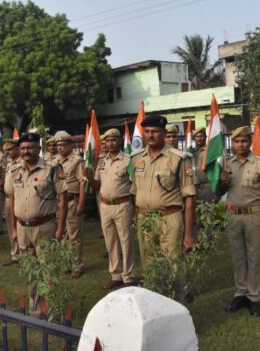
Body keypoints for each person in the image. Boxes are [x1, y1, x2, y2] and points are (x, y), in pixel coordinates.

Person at [4, 133, 68, 315]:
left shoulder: (52, 168)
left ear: (38, 149)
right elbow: (11, 201)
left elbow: (62, 199)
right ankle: (36, 308)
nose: (26, 151)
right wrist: (14, 230)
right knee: (31, 271)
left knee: (48, 269)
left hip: (45, 227)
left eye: (30, 147)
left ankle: (53, 308)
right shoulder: (14, 170)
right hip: (22, 227)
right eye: (23, 148)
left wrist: (60, 229)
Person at [220, 126, 260, 317]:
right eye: (236, 141)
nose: (240, 145)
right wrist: (223, 181)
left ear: (250, 142)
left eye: (243, 141)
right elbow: (223, 190)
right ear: (232, 143)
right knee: (238, 257)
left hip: (253, 215)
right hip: (234, 216)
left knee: (254, 257)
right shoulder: (228, 164)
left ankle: (254, 297)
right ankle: (241, 293)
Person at [130, 114, 196, 267]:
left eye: (155, 131)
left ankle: (176, 292)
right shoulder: (136, 159)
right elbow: (134, 191)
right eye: (147, 131)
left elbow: (189, 197)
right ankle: (154, 291)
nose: (150, 135)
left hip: (169, 218)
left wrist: (188, 234)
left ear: (164, 133)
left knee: (172, 265)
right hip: (145, 220)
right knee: (149, 265)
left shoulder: (179, 159)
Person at [84, 128, 136, 289]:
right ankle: (116, 275)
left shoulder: (128, 160)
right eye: (107, 140)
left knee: (126, 241)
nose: (111, 143)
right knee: (110, 241)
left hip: (123, 204)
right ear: (104, 143)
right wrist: (90, 177)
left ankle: (128, 276)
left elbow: (135, 185)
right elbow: (97, 186)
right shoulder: (101, 161)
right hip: (105, 205)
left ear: (120, 141)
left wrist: (135, 208)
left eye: (114, 140)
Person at [55, 131, 86, 279]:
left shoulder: (76, 160)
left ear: (70, 145)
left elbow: (82, 182)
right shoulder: (55, 161)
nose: (60, 148)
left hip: (72, 201)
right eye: (58, 145)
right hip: (59, 203)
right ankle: (66, 263)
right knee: (62, 235)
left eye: (63, 145)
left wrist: (81, 203)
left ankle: (77, 266)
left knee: (74, 235)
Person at [0, 138, 21, 266]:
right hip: (8, 198)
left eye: (10, 149)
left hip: (18, 199)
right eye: (6, 150)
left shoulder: (21, 162)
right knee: (10, 227)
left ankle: (24, 255)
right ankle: (15, 254)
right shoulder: (9, 162)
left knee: (20, 227)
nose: (8, 152)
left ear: (17, 148)